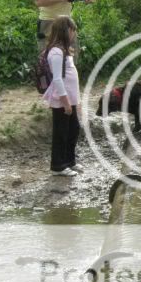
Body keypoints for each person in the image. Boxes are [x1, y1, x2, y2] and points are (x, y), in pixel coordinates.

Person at [42, 16, 82, 177]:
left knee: (73, 129)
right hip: (61, 100)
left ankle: (70, 161)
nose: (74, 34)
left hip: (69, 100)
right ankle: (58, 166)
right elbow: (58, 79)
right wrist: (66, 102)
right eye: (73, 30)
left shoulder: (65, 50)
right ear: (66, 31)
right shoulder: (56, 52)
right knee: (61, 132)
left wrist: (75, 102)